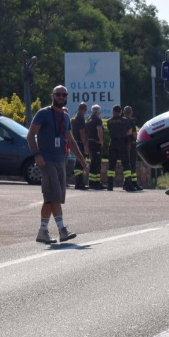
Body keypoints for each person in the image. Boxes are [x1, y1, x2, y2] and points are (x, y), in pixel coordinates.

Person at [27, 85, 88, 244]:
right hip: (46, 160)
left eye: (64, 95)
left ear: (67, 98)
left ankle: (42, 231)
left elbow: (71, 141)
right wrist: (37, 154)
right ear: (52, 96)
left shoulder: (66, 117)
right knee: (54, 194)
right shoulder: (43, 114)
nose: (61, 97)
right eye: (58, 94)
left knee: (52, 198)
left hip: (61, 159)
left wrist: (82, 161)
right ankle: (62, 230)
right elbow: (30, 135)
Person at [106, 105, 135, 191]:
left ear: (113, 112)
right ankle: (129, 185)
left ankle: (110, 186)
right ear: (121, 112)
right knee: (126, 164)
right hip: (122, 143)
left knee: (111, 165)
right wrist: (123, 135)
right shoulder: (125, 120)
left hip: (113, 143)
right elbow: (130, 131)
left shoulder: (109, 121)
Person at [86, 104, 105, 190]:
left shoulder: (89, 119)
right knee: (95, 163)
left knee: (96, 163)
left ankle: (97, 182)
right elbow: (99, 130)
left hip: (90, 142)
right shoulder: (98, 120)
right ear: (99, 112)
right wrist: (101, 141)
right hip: (96, 143)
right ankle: (93, 183)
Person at [71, 102, 89, 189]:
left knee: (78, 163)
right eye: (85, 110)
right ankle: (79, 183)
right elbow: (82, 133)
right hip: (80, 143)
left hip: (76, 141)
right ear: (84, 109)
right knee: (79, 163)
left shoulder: (75, 118)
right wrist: (85, 145)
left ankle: (78, 182)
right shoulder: (81, 118)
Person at [123, 105, 141, 191]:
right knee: (132, 165)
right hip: (132, 144)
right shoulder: (131, 122)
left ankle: (126, 182)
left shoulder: (121, 121)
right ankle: (133, 183)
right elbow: (134, 134)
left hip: (123, 144)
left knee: (127, 165)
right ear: (131, 113)